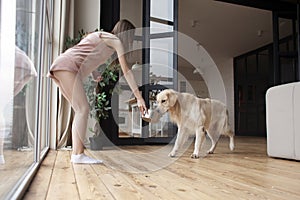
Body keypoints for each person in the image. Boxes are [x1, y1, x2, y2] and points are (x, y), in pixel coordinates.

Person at [48, 19, 147, 164]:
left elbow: (84, 52)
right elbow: (126, 71)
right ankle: (78, 155)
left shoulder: (102, 37)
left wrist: (94, 73)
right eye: (131, 36)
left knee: (80, 110)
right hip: (68, 66)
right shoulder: (115, 41)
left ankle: (77, 154)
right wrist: (139, 97)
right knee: (83, 109)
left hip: (61, 65)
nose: (131, 40)